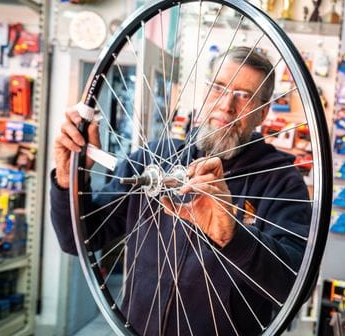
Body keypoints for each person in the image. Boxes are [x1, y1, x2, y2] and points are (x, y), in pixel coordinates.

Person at [50, 46, 312, 335]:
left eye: (244, 95)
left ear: (263, 113)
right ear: (204, 93)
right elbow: (77, 240)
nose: (226, 105)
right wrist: (66, 178)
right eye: (219, 87)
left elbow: (293, 286)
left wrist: (235, 237)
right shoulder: (151, 158)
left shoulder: (281, 182)